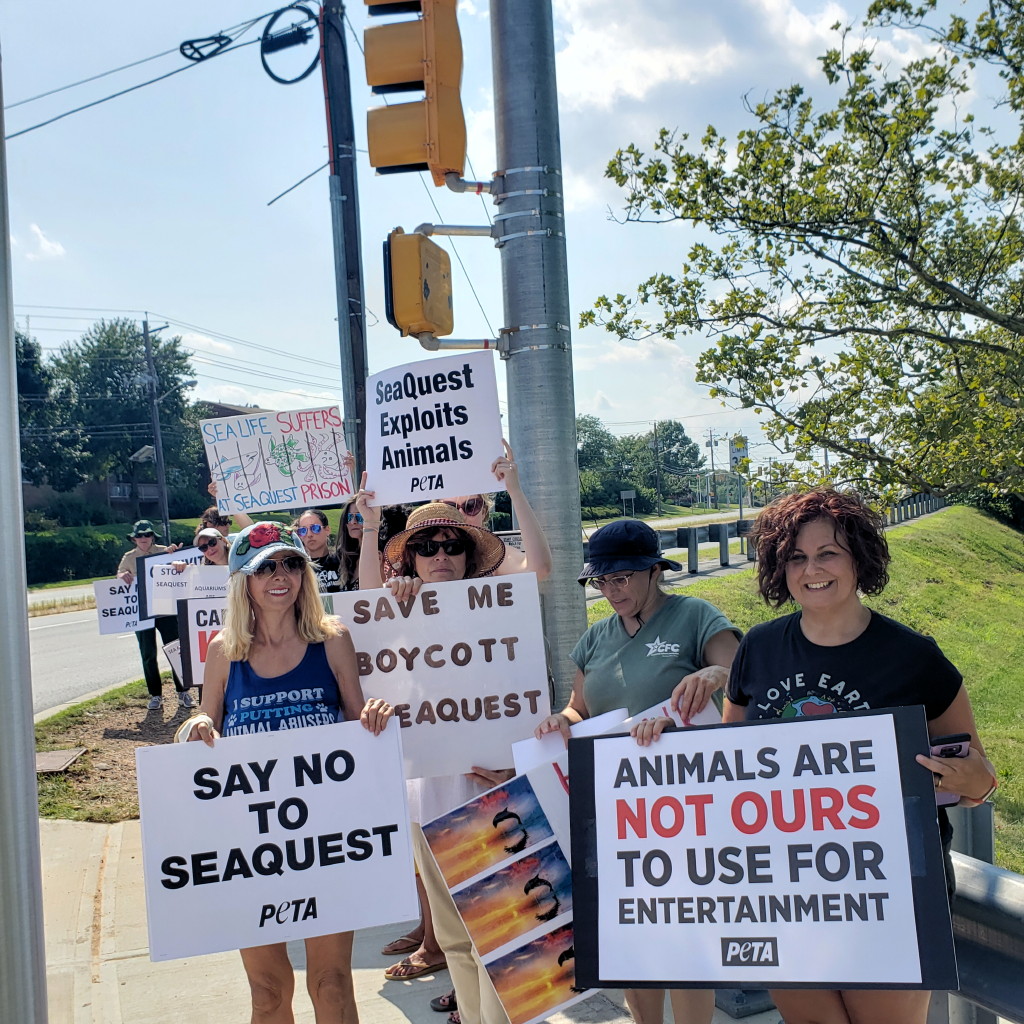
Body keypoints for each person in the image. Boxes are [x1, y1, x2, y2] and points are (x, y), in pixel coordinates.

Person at [719, 488, 995, 1024]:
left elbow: (978, 781)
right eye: (796, 556)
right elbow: (729, 765)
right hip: (782, 882)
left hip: (891, 883)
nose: (812, 569)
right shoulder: (759, 647)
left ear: (859, 558)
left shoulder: (914, 657)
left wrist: (974, 779)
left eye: (828, 553)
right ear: (780, 568)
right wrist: (664, 736)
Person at [178, 520, 394, 1024]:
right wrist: (198, 725)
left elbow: (356, 725)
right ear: (242, 581)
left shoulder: (332, 639)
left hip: (325, 844)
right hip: (251, 849)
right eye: (265, 567)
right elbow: (208, 719)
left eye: (292, 563)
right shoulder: (223, 651)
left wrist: (375, 716)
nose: (282, 575)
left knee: (332, 986)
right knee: (268, 991)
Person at [534, 518, 741, 1024]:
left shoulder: (695, 616)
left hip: (688, 805)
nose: (610, 590)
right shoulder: (595, 637)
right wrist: (561, 720)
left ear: (654, 571)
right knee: (633, 931)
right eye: (601, 581)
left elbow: (743, 676)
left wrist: (715, 673)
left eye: (622, 578)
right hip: (616, 809)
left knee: (687, 933)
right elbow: (581, 706)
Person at [355, 490, 515, 1024]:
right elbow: (363, 611)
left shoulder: (496, 606)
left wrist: (513, 489)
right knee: (452, 937)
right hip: (425, 791)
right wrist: (373, 529)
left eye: (452, 545)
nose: (440, 555)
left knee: (498, 936)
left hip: (485, 788)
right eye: (426, 547)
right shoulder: (398, 606)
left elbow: (539, 568)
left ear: (470, 556)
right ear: (411, 558)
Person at [442, 440, 551, 581]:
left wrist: (515, 491)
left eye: (471, 506)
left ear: (484, 511)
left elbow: (539, 569)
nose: (461, 515)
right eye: (450, 508)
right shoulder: (420, 555)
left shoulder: (493, 557)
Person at [115, 519, 192, 711]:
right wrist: (121, 576)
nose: (143, 538)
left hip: (164, 609)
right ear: (134, 539)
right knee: (148, 654)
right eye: (139, 535)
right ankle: (155, 695)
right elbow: (119, 575)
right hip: (142, 613)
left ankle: (183, 691)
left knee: (176, 649)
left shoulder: (164, 551)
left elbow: (179, 567)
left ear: (152, 537)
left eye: (147, 534)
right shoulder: (129, 557)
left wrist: (177, 561)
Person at [292, 508, 343, 592]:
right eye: (303, 530)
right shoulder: (298, 567)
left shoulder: (344, 560)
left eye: (315, 528)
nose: (309, 534)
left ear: (327, 530)